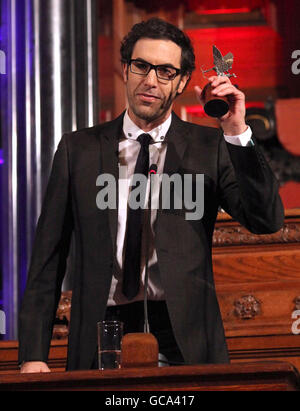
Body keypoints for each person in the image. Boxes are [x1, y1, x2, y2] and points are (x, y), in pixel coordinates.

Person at [19, 18, 284, 373]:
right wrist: (33, 355)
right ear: (125, 70)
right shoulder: (77, 150)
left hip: (185, 336)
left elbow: (266, 220)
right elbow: (47, 261)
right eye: (141, 66)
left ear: (182, 82)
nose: (151, 80)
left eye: (165, 71)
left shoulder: (210, 148)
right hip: (101, 329)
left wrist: (236, 131)